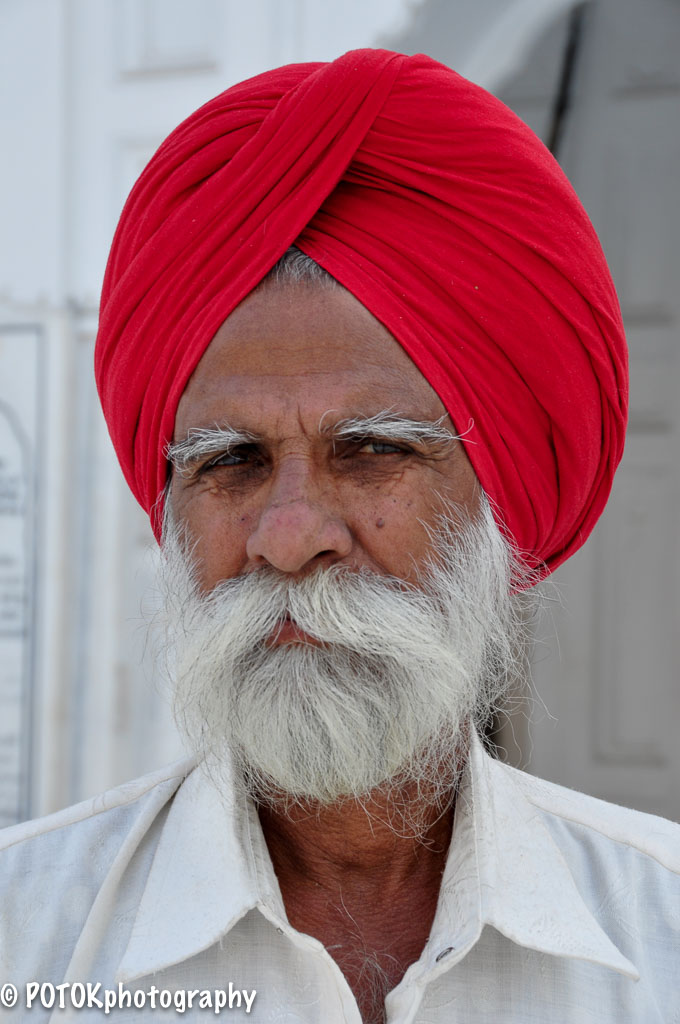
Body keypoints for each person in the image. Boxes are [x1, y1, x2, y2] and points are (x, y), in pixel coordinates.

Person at [0, 49, 677, 1024]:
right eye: (227, 460)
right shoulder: (30, 941)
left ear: (498, 498)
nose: (286, 538)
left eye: (369, 450)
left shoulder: (656, 939)